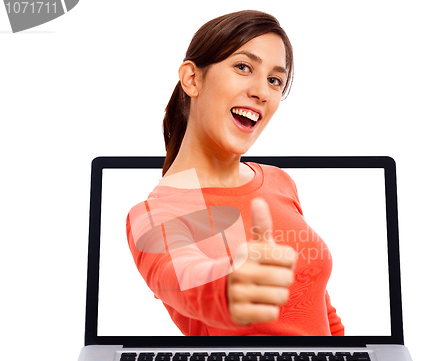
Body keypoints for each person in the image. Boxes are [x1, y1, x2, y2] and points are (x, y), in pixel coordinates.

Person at [126, 10, 344, 336]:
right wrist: (232, 284)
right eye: (243, 67)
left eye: (275, 80)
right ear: (192, 79)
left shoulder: (279, 181)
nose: (262, 92)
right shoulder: (153, 215)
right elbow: (185, 279)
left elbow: (319, 309)